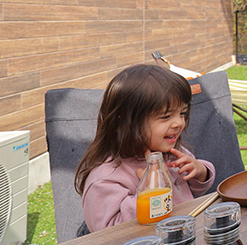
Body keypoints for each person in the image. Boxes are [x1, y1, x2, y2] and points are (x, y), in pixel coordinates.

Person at [75, 64, 216, 231]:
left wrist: (200, 171)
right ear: (125, 123)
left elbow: (194, 189)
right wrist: (149, 194)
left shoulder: (170, 154)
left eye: (183, 113)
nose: (179, 123)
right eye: (166, 116)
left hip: (185, 239)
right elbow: (108, 232)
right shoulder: (106, 178)